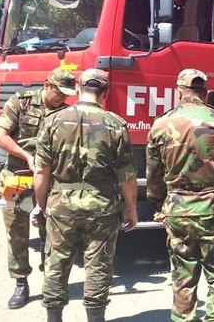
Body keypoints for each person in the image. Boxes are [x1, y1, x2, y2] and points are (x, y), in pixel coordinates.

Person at [33, 69, 138, 322]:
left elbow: (40, 171)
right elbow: (126, 175)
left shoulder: (53, 121)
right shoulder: (115, 124)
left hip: (60, 204)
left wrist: (41, 205)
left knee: (56, 262)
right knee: (98, 265)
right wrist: (132, 209)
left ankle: (54, 317)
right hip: (101, 205)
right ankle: (95, 317)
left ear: (78, 88)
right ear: (105, 93)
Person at [146, 68, 214, 322]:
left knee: (183, 275)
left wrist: (159, 204)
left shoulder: (161, 124)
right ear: (204, 91)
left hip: (178, 209)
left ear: (178, 91)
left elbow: (154, 174)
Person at [0, 68, 76, 309]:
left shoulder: (67, 112)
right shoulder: (21, 101)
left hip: (51, 182)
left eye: (67, 94)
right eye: (59, 92)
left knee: (51, 234)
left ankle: (50, 282)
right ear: (48, 85)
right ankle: (21, 283)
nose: (63, 97)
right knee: (16, 233)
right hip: (18, 177)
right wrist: (27, 157)